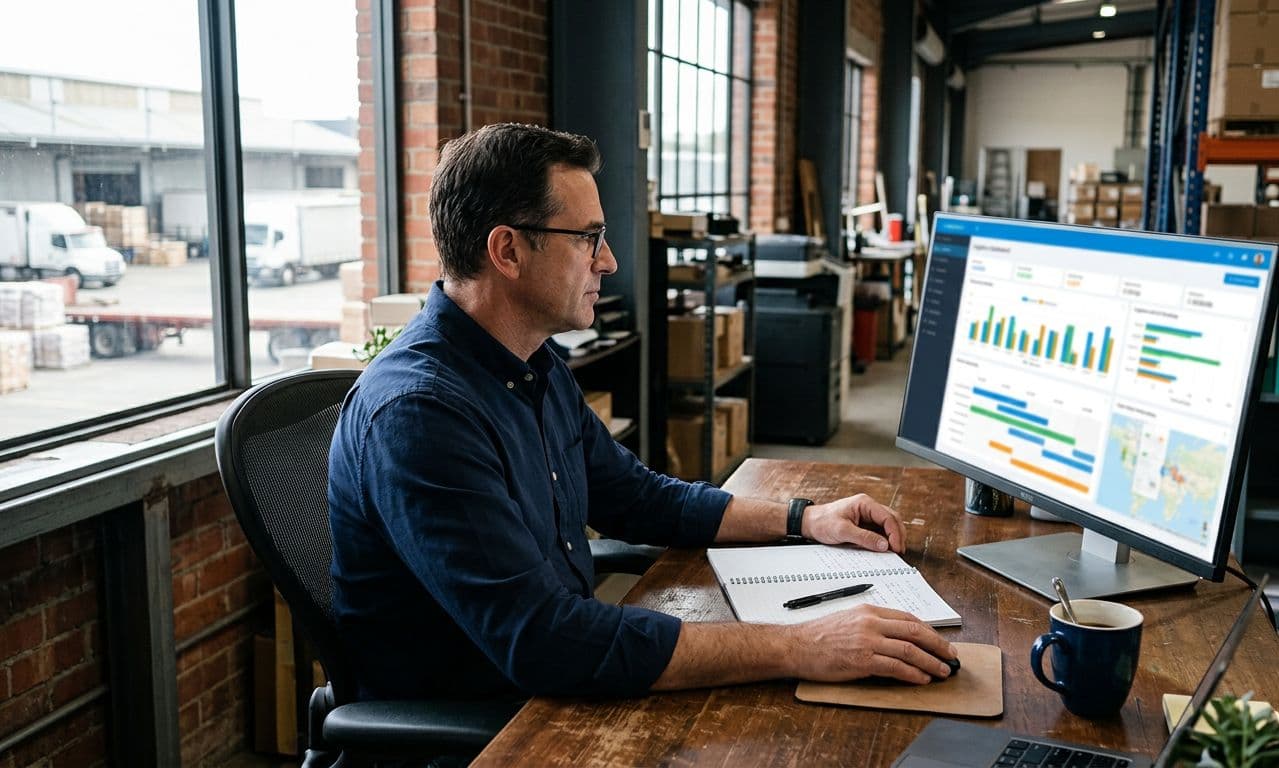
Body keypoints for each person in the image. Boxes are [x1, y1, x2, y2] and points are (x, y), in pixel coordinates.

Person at [327, 122, 955, 706]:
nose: (609, 262)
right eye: (589, 238)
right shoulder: (420, 415)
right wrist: (803, 644)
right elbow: (545, 642)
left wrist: (805, 518)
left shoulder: (530, 361)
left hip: (548, 689)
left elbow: (635, 497)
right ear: (508, 251)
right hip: (483, 725)